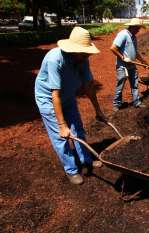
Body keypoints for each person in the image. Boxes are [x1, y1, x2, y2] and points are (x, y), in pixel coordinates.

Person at [35, 26, 107, 185]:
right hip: (49, 99)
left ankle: (86, 160)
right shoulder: (55, 59)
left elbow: (88, 85)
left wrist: (98, 110)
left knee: (77, 128)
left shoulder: (82, 59)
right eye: (85, 52)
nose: (88, 54)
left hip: (67, 96)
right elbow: (55, 94)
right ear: (74, 50)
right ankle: (71, 170)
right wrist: (62, 125)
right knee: (62, 137)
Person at [110, 18, 149, 111]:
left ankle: (137, 102)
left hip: (132, 65)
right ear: (133, 27)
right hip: (122, 66)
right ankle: (116, 104)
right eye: (138, 28)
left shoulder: (133, 37)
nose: (139, 30)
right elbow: (113, 48)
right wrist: (123, 57)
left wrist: (143, 61)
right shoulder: (123, 34)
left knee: (135, 84)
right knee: (120, 85)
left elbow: (135, 51)